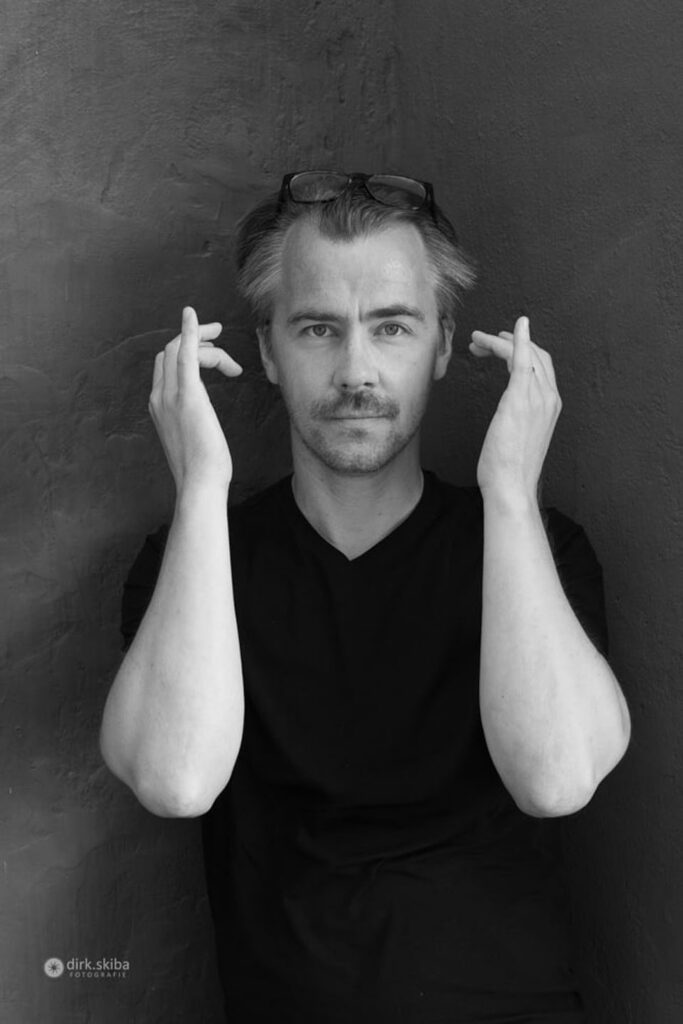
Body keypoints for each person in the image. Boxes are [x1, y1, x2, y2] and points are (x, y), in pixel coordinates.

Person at [99, 171, 632, 1023]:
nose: (356, 371)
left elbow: (555, 781)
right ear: (268, 351)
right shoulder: (191, 560)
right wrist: (199, 486)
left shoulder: (540, 549)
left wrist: (508, 493)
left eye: (391, 327)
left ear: (442, 346)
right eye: (318, 328)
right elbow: (176, 781)